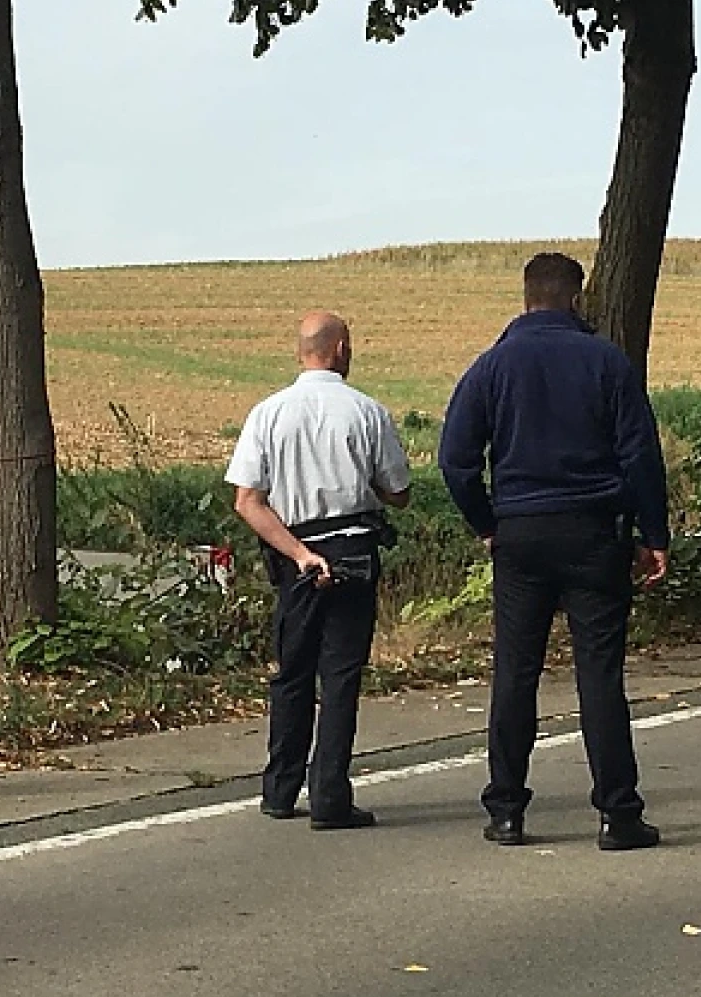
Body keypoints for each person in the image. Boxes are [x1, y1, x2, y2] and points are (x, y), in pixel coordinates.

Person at [438, 253, 671, 851]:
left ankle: (507, 811)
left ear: (525, 297)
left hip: (520, 534)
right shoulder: (607, 362)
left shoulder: (491, 368)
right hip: (594, 532)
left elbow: (455, 460)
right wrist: (653, 535)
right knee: (600, 677)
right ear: (576, 298)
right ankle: (618, 816)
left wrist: (486, 523)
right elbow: (640, 454)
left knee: (515, 674)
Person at [226, 311, 413, 830]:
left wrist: (300, 554)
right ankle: (330, 795)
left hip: (294, 555)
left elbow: (247, 500)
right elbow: (398, 492)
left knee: (292, 673)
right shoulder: (367, 412)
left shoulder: (267, 413)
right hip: (353, 550)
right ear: (341, 350)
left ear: (300, 352)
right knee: (340, 676)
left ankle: (280, 790)